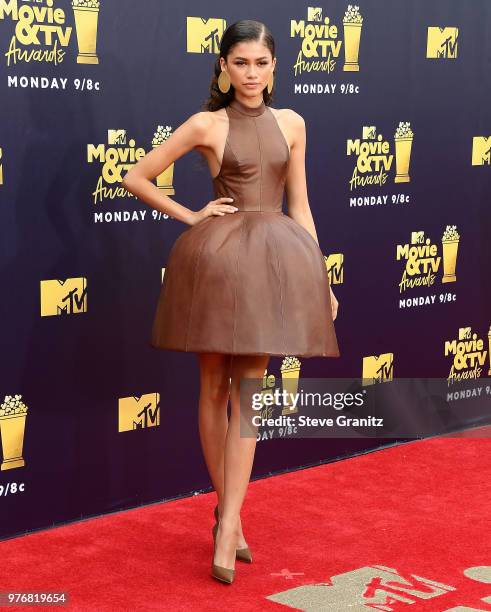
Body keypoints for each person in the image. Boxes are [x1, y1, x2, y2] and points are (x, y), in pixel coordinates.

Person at [122, 19, 340, 585]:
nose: (250, 73)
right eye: (240, 62)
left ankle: (228, 521)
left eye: (260, 63)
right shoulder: (205, 123)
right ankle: (230, 512)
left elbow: (301, 206)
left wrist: (319, 278)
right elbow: (136, 176)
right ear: (223, 66)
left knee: (248, 391)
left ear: (273, 67)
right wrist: (193, 215)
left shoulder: (293, 123)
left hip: (275, 264)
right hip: (218, 265)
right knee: (213, 385)